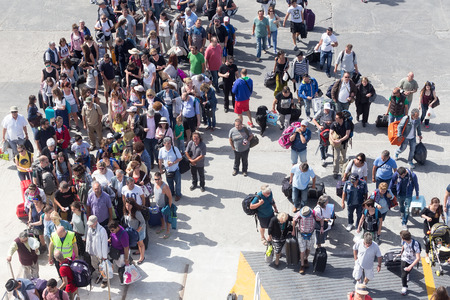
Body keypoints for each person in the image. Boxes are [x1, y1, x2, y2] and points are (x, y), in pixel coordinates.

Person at [293, 206, 321, 275]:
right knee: (302, 251)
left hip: (311, 234)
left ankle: (306, 259)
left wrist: (322, 227)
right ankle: (302, 265)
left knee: (308, 249)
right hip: (301, 234)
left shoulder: (314, 213)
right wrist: (293, 230)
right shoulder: (299, 213)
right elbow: (294, 220)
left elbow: (321, 218)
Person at [85, 215, 109, 288]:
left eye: (91, 223)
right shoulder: (89, 228)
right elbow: (88, 240)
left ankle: (105, 279)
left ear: (96, 222)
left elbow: (104, 244)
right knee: (95, 265)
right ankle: (99, 276)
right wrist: (87, 250)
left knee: (103, 267)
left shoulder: (102, 230)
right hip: (92, 252)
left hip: (100, 253)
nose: (90, 225)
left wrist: (104, 256)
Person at [158, 137, 183, 201]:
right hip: (168, 170)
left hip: (176, 169)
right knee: (170, 183)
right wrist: (160, 168)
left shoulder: (175, 149)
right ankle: (171, 193)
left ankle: (178, 195)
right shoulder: (161, 150)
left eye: (170, 143)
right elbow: (160, 159)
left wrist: (173, 163)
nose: (169, 145)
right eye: (168, 143)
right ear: (164, 144)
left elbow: (180, 158)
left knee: (178, 183)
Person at [398, 230, 421, 296]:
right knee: (403, 275)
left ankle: (407, 275)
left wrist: (410, 266)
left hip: (411, 261)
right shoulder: (403, 241)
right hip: (404, 258)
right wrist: (401, 253)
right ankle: (404, 286)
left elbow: (418, 258)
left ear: (404, 238)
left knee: (406, 272)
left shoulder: (415, 245)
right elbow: (403, 246)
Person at [329, 112, 352, 179]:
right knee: (336, 158)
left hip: (344, 143)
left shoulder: (347, 124)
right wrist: (333, 140)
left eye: (337, 118)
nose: (335, 119)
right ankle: (335, 172)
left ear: (341, 119)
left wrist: (340, 140)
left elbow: (347, 135)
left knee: (343, 157)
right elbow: (330, 132)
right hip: (336, 144)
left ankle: (343, 169)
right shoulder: (334, 124)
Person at [123, 198, 146, 264]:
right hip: (132, 231)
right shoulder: (126, 212)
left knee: (141, 244)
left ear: (133, 205)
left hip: (139, 231)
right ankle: (139, 251)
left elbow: (143, 222)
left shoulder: (136, 212)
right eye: (127, 205)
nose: (128, 207)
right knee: (138, 243)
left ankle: (142, 257)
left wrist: (137, 230)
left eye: (129, 205)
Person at [153, 172, 173, 239]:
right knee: (161, 217)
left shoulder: (165, 187)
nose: (156, 181)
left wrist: (169, 207)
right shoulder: (155, 184)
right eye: (155, 179)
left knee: (167, 219)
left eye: (158, 179)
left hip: (165, 206)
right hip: (158, 205)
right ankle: (163, 227)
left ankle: (168, 231)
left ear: (161, 178)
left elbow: (170, 197)